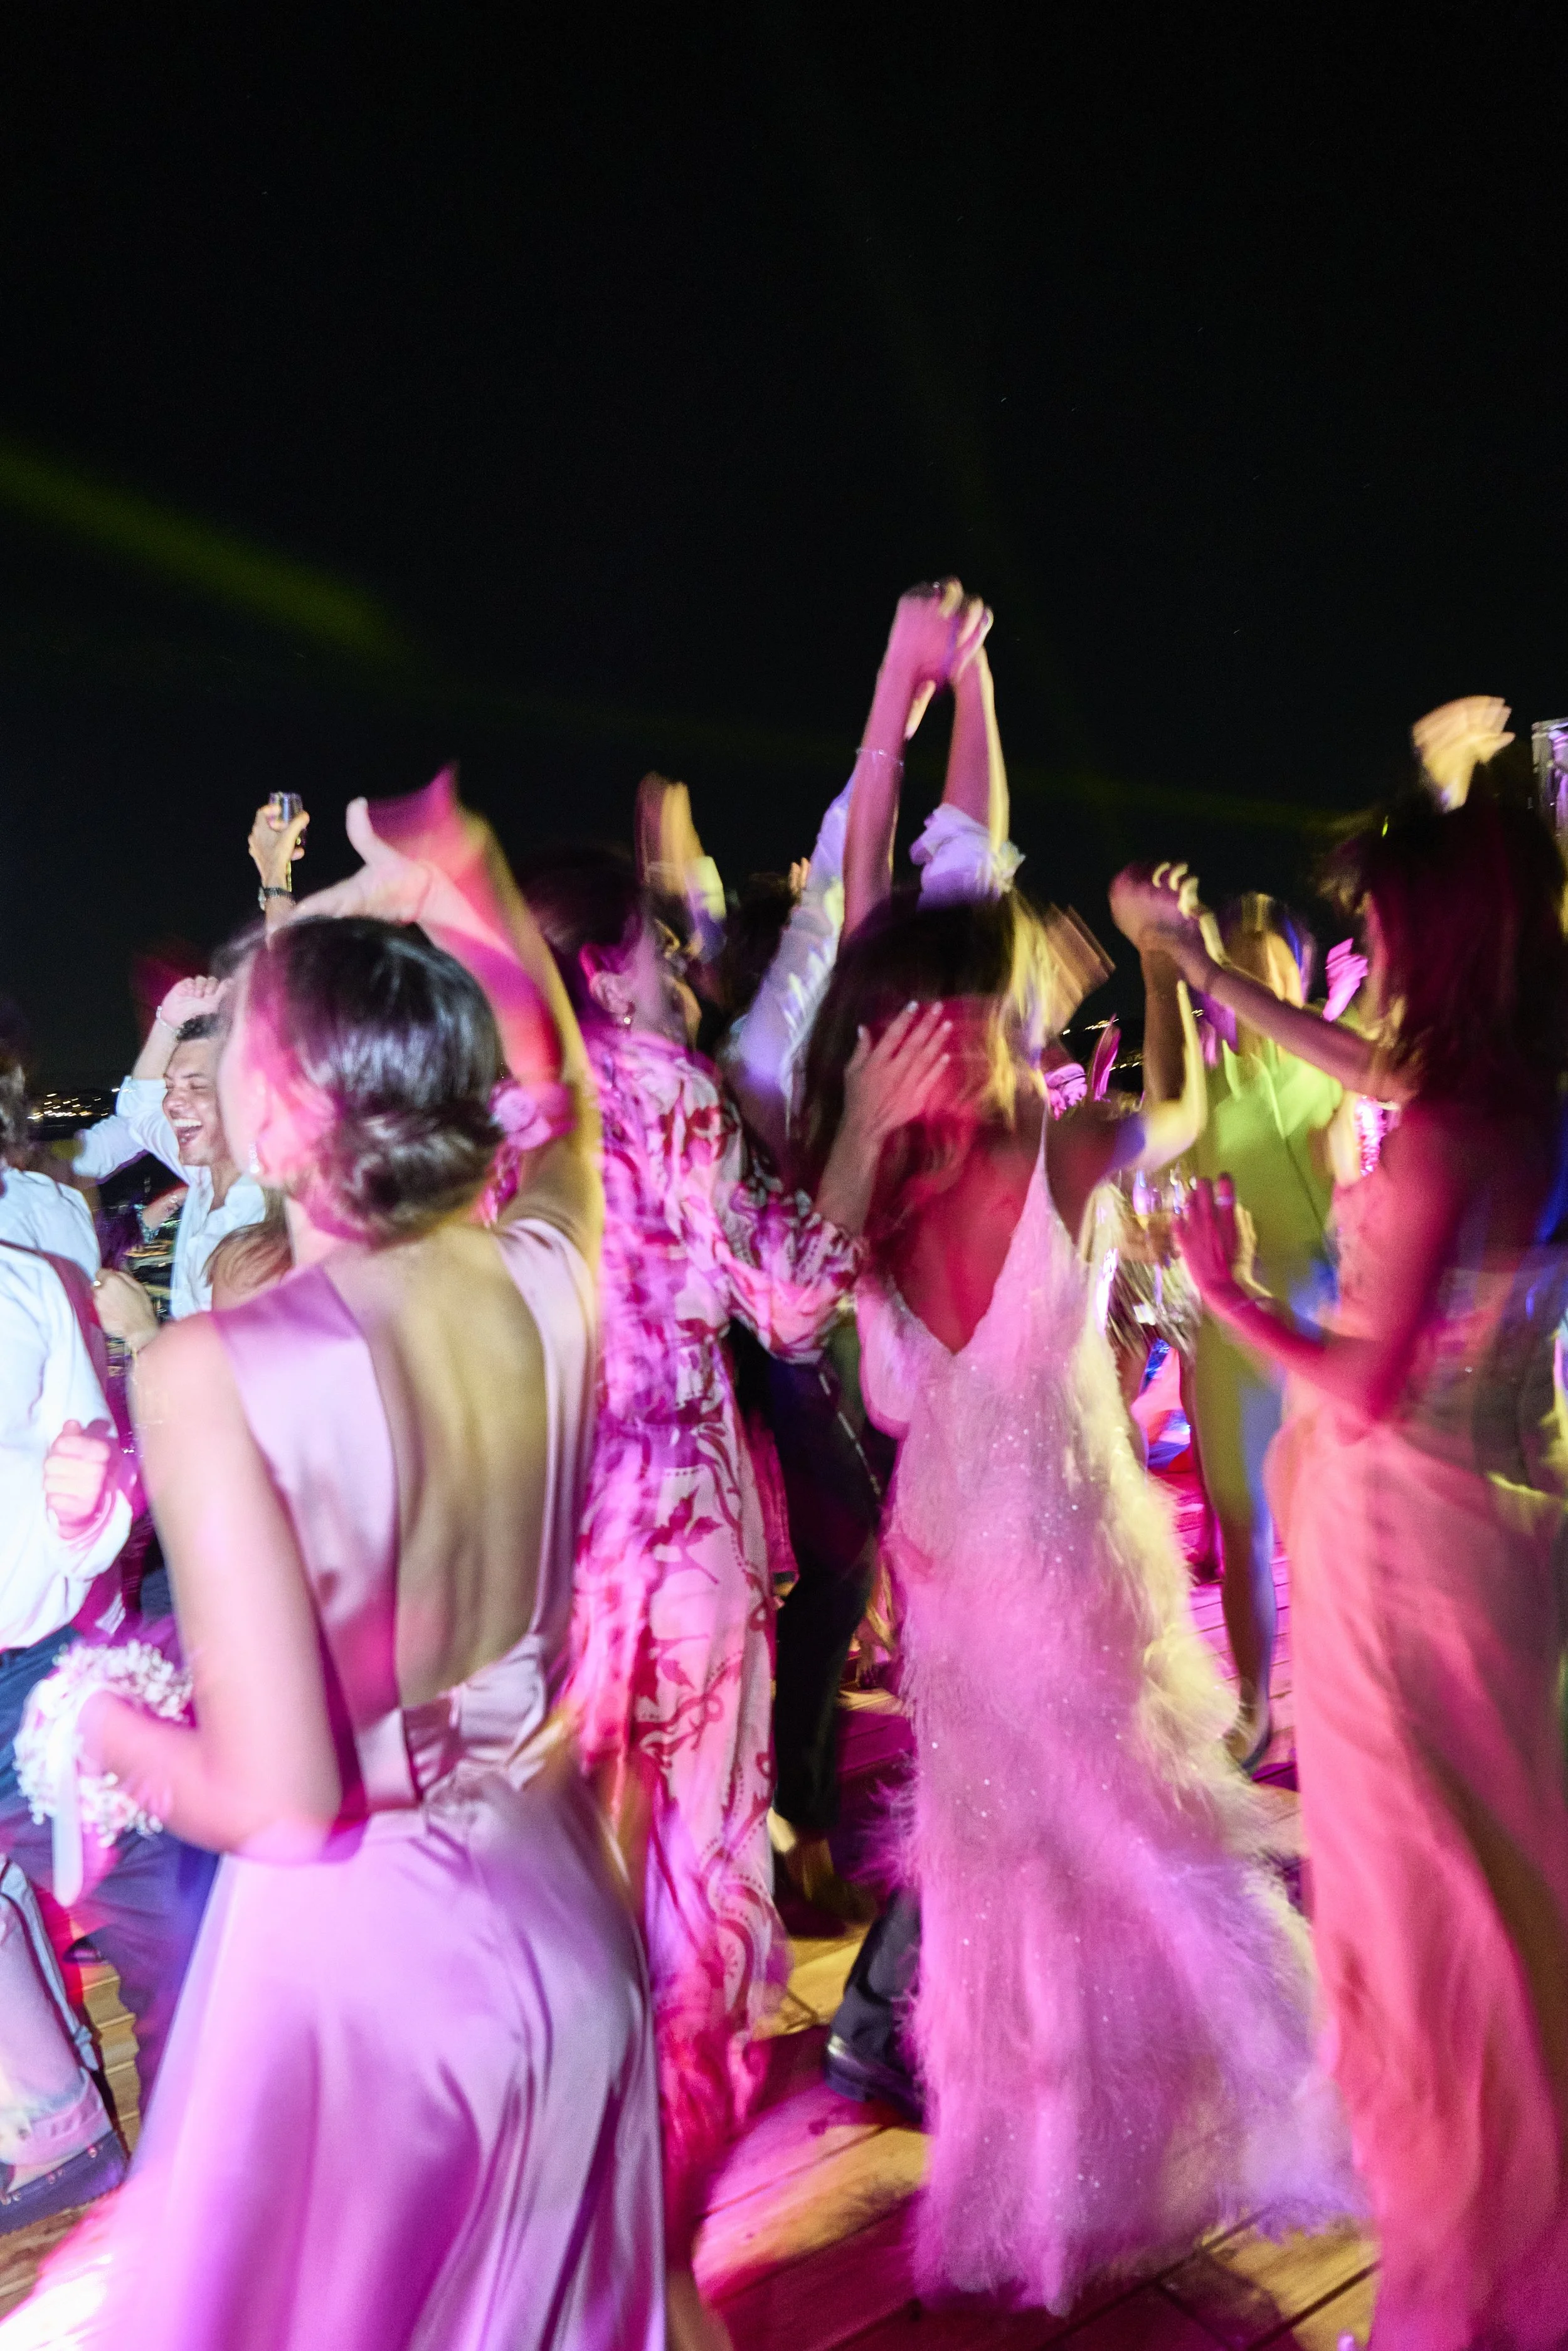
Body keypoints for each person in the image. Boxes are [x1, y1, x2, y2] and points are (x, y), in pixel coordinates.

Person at [1, 778, 664, 2351]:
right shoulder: (550, 1274)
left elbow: (282, 1802)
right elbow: (560, 1088)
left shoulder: (213, 1368)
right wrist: (478, 881)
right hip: (565, 1903)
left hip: (368, 1975)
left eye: (227, 1032)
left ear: (289, 1113)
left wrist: (87, 1720)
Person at [797, 841, 1357, 2309]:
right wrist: (1165, 956)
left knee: (1004, 1884)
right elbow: (1176, 1109)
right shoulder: (1061, 1142)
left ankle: (1027, 2193)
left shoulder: (872, 1196)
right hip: (1058, 1537)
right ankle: (1277, 2097)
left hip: (950, 1562)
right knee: (1148, 1843)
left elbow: (899, 1398)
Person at [1145, 696, 1568, 2347]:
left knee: (1421, 1931)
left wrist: (1222, 1292)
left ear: (1439, 942)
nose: (1368, 956)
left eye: (1386, 931)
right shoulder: (1515, 1086)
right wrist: (1203, 975)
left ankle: (1463, 2268)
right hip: (1494, 1531)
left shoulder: (1460, 1125)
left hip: (1407, 1550)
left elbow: (1370, 1379)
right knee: (1495, 1889)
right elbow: (1367, 1061)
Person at [522, 837, 946, 2335]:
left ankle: (560, 2201)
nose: (676, 969)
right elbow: (786, 1295)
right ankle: (658, 2254)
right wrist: (863, 1133)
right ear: (600, 964)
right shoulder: (661, 1085)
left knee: (578, 1877)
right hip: (679, 1544)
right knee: (699, 1884)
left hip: (546, 1546)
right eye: (651, 946)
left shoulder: (500, 1112)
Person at [1180, 893, 1342, 1768]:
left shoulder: (1327, 1069)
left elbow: (1352, 1190)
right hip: (1233, 1329)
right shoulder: (1201, 1085)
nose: (1255, 980)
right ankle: (1252, 1707)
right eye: (1238, 964)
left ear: (1301, 975)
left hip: (1317, 1320)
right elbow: (1165, 1180)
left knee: (1328, 1528)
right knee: (1242, 1527)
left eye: (1272, 964)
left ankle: (1338, 1700)